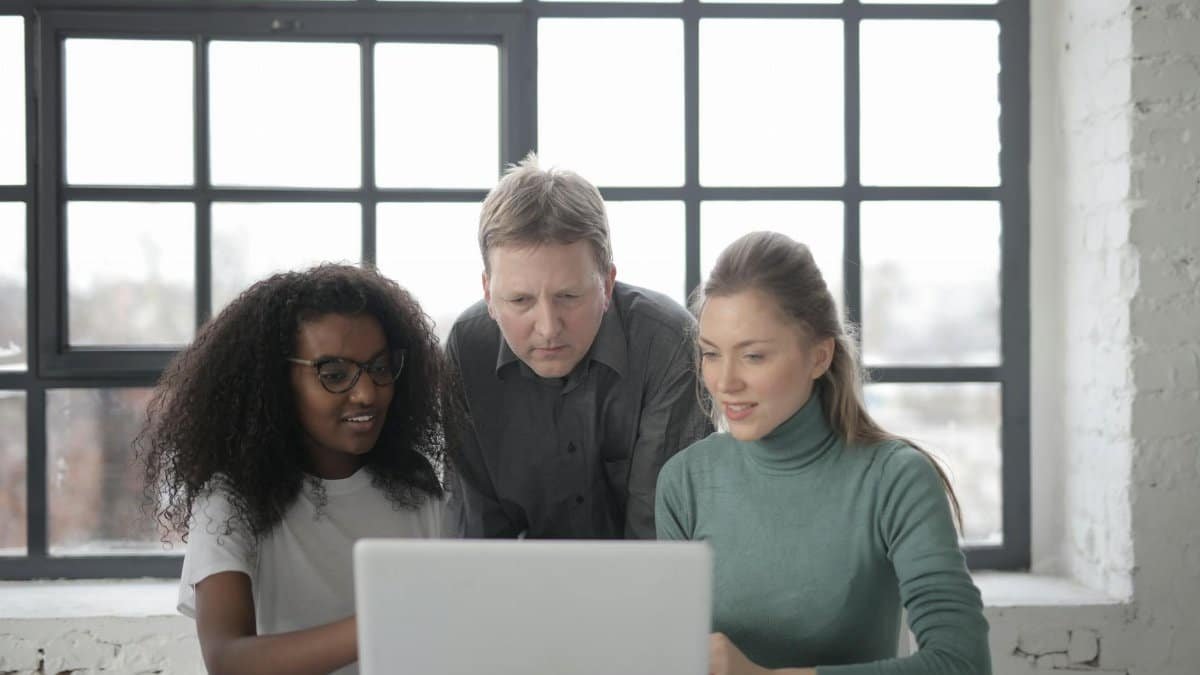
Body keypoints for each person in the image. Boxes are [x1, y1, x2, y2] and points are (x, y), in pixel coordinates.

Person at [655, 231, 991, 675]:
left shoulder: (896, 479)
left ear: (818, 356)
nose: (724, 382)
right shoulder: (685, 481)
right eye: (711, 354)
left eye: (754, 356)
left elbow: (962, 663)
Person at [137, 264, 453, 675]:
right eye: (334, 374)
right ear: (276, 383)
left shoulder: (414, 487)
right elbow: (228, 660)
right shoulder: (232, 500)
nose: (366, 393)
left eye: (379, 368)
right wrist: (382, 619)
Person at [446, 154, 711, 539]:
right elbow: (477, 534)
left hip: (646, 589)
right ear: (488, 292)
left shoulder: (667, 344)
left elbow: (657, 539)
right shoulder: (468, 349)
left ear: (607, 283)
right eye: (519, 301)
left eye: (569, 296)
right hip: (512, 589)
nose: (549, 328)